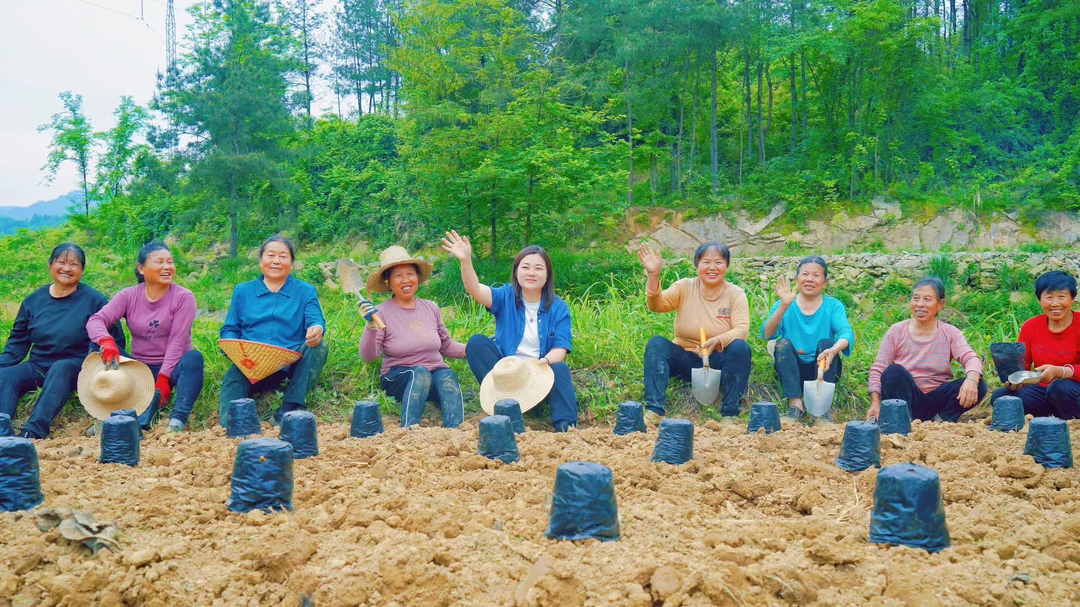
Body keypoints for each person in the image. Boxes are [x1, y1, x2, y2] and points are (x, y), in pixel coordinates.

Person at [441, 231, 577, 432]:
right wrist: (466, 261)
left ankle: (566, 427)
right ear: (516, 272)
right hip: (506, 374)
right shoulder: (505, 296)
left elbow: (560, 348)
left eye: (538, 268)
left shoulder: (559, 308)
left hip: (539, 375)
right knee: (477, 343)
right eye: (525, 267)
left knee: (561, 369)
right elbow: (475, 290)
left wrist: (545, 362)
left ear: (547, 276)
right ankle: (502, 407)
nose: (531, 273)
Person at [0, 244, 124, 439]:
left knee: (61, 367)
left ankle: (33, 431)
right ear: (50, 265)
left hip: (77, 366)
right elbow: (17, 343)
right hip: (39, 364)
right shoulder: (33, 301)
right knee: (6, 375)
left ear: (82, 271)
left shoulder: (95, 300)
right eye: (61, 262)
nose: (67, 268)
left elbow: (114, 339)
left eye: (74, 264)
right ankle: (3, 429)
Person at [86, 242, 204, 432]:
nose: (167, 267)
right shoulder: (128, 296)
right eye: (159, 262)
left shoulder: (183, 297)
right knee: (96, 345)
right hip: (139, 370)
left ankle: (177, 420)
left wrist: (164, 378)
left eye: (170, 262)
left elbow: (177, 340)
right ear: (141, 268)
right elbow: (96, 320)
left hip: (172, 369)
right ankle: (110, 415)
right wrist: (106, 341)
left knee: (193, 358)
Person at [638, 241, 751, 424]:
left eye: (719, 262)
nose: (712, 267)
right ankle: (654, 410)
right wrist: (653, 275)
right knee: (657, 343)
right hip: (685, 358)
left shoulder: (735, 294)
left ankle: (730, 414)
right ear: (697, 264)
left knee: (740, 347)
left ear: (727, 266)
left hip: (717, 361)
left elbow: (742, 329)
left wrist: (718, 340)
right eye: (706, 262)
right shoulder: (684, 287)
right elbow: (656, 306)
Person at [219, 235, 328, 426]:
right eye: (271, 255)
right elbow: (230, 328)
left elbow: (315, 319)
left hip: (289, 365)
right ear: (261, 261)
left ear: (292, 264)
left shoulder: (305, 291)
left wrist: (316, 329)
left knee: (319, 345)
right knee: (232, 383)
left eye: (283, 256)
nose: (276, 261)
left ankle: (288, 408)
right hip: (249, 365)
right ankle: (233, 425)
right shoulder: (243, 291)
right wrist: (235, 349)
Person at [358, 246, 466, 428]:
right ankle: (409, 428)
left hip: (432, 377)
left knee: (447, 374)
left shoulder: (431, 308)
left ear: (417, 278)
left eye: (410, 274)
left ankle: (455, 429)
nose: (406, 280)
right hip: (398, 378)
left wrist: (473, 349)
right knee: (420, 373)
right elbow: (369, 356)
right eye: (398, 275)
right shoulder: (381, 313)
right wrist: (370, 325)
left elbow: (446, 345)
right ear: (388, 282)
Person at [866, 276, 986, 422]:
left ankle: (940, 421)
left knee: (979, 383)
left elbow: (970, 358)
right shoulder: (896, 331)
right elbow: (878, 368)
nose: (920, 304)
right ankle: (902, 421)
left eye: (927, 299)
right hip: (906, 398)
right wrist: (875, 402)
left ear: (940, 304)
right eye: (916, 298)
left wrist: (972, 380)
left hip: (937, 399)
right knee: (893, 372)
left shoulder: (950, 333)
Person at [761, 256, 854, 423]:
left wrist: (833, 350)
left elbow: (845, 333)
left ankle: (822, 411)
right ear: (797, 279)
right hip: (793, 369)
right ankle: (795, 405)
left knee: (827, 343)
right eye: (805, 274)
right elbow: (768, 334)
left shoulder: (833, 306)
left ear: (825, 282)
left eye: (816, 275)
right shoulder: (784, 304)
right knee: (782, 344)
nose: (810, 279)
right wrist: (784, 305)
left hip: (823, 366)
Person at [991, 271, 1080, 419]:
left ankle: (1070, 422)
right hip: (1043, 392)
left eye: (1062, 296)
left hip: (1072, 390)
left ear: (1073, 298)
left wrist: (1061, 372)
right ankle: (1048, 417)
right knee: (1002, 397)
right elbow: (1023, 367)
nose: (1055, 303)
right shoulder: (1031, 326)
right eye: (1049, 297)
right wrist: (1015, 380)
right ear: (1039, 300)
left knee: (1059, 387)